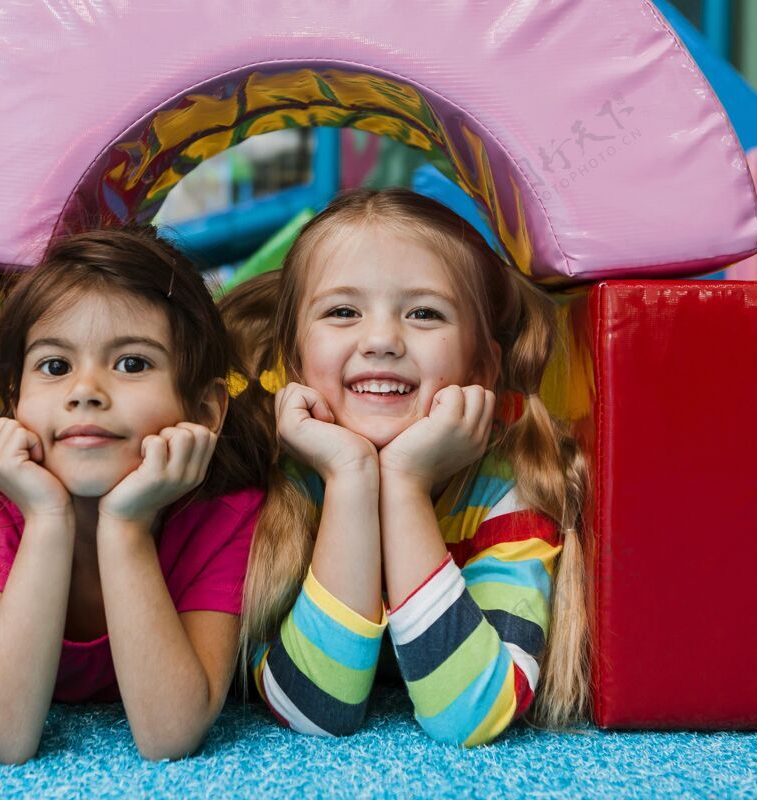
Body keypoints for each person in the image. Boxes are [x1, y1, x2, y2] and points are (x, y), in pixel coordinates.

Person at [220, 187, 589, 746]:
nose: (382, 340)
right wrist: (348, 477)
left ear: (482, 365)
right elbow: (315, 710)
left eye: (424, 313)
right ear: (293, 357)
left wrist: (405, 484)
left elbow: (472, 715)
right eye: (343, 311)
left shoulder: (509, 489)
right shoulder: (276, 482)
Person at [0, 227, 269, 763]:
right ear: (15, 405)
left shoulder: (225, 517)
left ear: (206, 411)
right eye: (55, 367)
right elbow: (0, 738)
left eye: (132, 364)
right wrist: (48, 518)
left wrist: (126, 527)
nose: (85, 392)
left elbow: (170, 734)